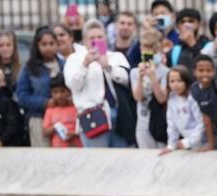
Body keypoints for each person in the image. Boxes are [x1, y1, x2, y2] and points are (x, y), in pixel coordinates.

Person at [63, 19, 131, 148]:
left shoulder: (116, 56)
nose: (96, 41)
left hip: (119, 116)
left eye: (100, 37)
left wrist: (108, 67)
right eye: (92, 38)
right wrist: (85, 65)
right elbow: (73, 85)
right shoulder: (75, 59)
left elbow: (127, 79)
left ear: (105, 38)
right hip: (93, 117)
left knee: (122, 160)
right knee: (98, 161)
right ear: (84, 41)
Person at [17, 28, 64, 148]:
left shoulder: (65, 65)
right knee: (43, 157)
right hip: (39, 118)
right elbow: (22, 96)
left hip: (64, 117)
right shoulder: (29, 68)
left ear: (57, 44)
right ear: (37, 45)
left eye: (51, 43)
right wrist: (45, 103)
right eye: (44, 44)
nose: (48, 47)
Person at [131, 29, 170, 149]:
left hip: (160, 124)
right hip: (142, 124)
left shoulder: (166, 71)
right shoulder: (135, 72)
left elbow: (162, 99)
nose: (147, 51)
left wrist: (153, 79)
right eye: (144, 47)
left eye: (151, 48)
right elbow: (137, 97)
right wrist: (141, 78)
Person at [162, 65, 204, 152]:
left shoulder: (192, 98)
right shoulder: (171, 98)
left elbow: (202, 123)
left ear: (186, 81)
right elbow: (171, 124)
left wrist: (189, 142)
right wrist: (171, 145)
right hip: (187, 143)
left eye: (179, 81)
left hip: (202, 142)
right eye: (172, 81)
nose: (175, 84)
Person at [126, 0, 180, 67]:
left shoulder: (179, 37)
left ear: (172, 16)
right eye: (156, 14)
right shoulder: (148, 34)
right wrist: (148, 32)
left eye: (163, 13)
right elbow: (132, 58)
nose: (160, 16)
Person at [42, 75, 82, 148]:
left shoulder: (77, 108)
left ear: (69, 92)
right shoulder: (50, 110)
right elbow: (45, 132)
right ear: (51, 93)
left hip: (77, 147)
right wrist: (55, 127)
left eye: (63, 91)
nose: (59, 95)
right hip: (58, 149)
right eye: (55, 92)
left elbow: (84, 127)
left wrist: (74, 133)